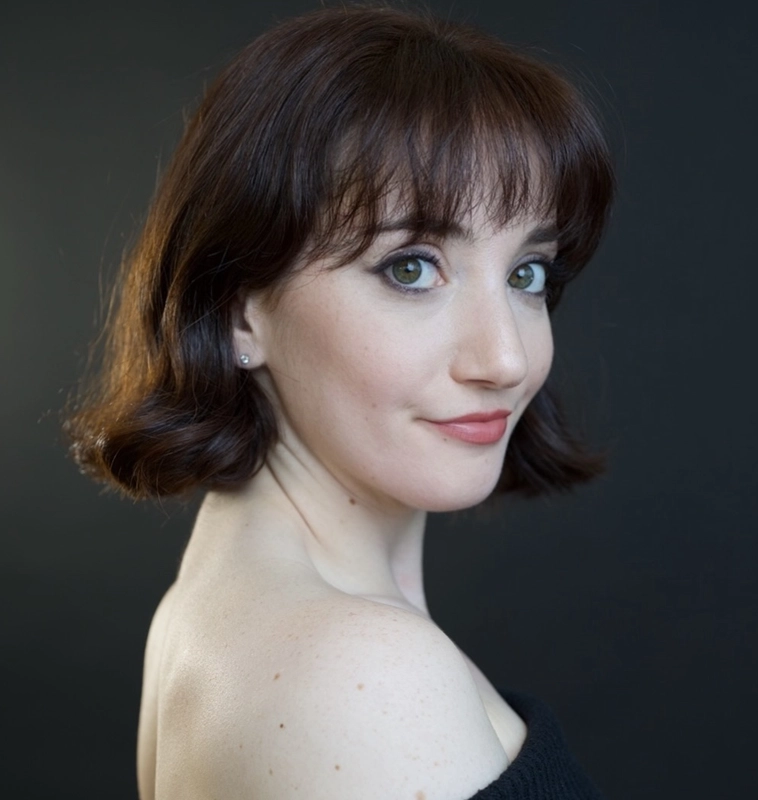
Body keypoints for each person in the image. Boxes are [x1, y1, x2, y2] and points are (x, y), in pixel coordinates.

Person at [65, 4, 614, 798]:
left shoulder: (219, 612)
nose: (505, 358)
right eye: (411, 268)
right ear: (238, 309)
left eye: (528, 274)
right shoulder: (360, 673)